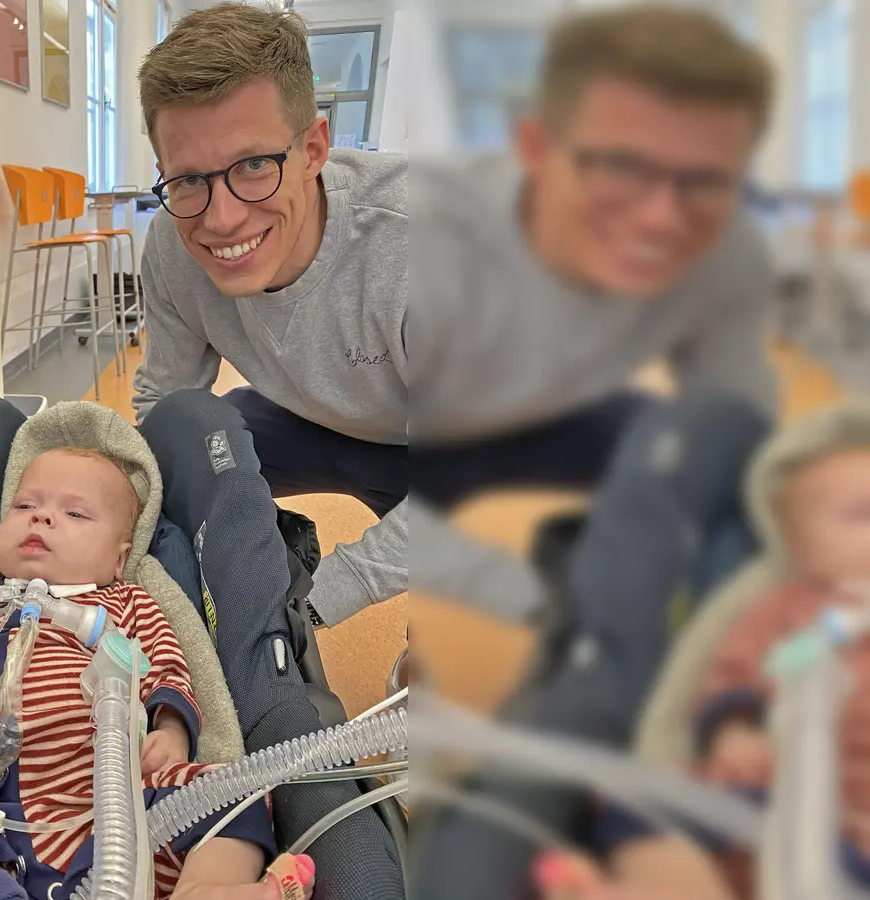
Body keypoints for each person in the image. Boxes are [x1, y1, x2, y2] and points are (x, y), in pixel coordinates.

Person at [0, 443, 310, 900]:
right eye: (24, 506)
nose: (41, 519)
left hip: (112, 801)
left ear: (119, 557)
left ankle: (203, 889)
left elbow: (169, 669)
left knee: (233, 787)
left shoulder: (127, 604)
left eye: (75, 514)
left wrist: (171, 734)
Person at [408, 4, 779, 621]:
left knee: (735, 479)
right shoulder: (424, 242)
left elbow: (735, 423)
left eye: (707, 179)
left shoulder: (730, 247)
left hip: (561, 413)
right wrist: (536, 598)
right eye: (622, 166)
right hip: (400, 432)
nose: (661, 218)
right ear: (534, 146)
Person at [131, 2, 406, 632]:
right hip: (302, 414)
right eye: (188, 180)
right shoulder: (175, 242)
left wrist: (310, 601)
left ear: (313, 148)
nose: (221, 218)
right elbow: (168, 405)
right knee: (185, 454)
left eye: (254, 164)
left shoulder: (419, 246)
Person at [586, 409, 870, 899]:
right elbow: (735, 676)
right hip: (750, 791)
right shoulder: (783, 609)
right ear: (800, 548)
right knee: (641, 806)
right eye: (862, 513)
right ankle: (664, 886)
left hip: (842, 825)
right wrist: (735, 730)